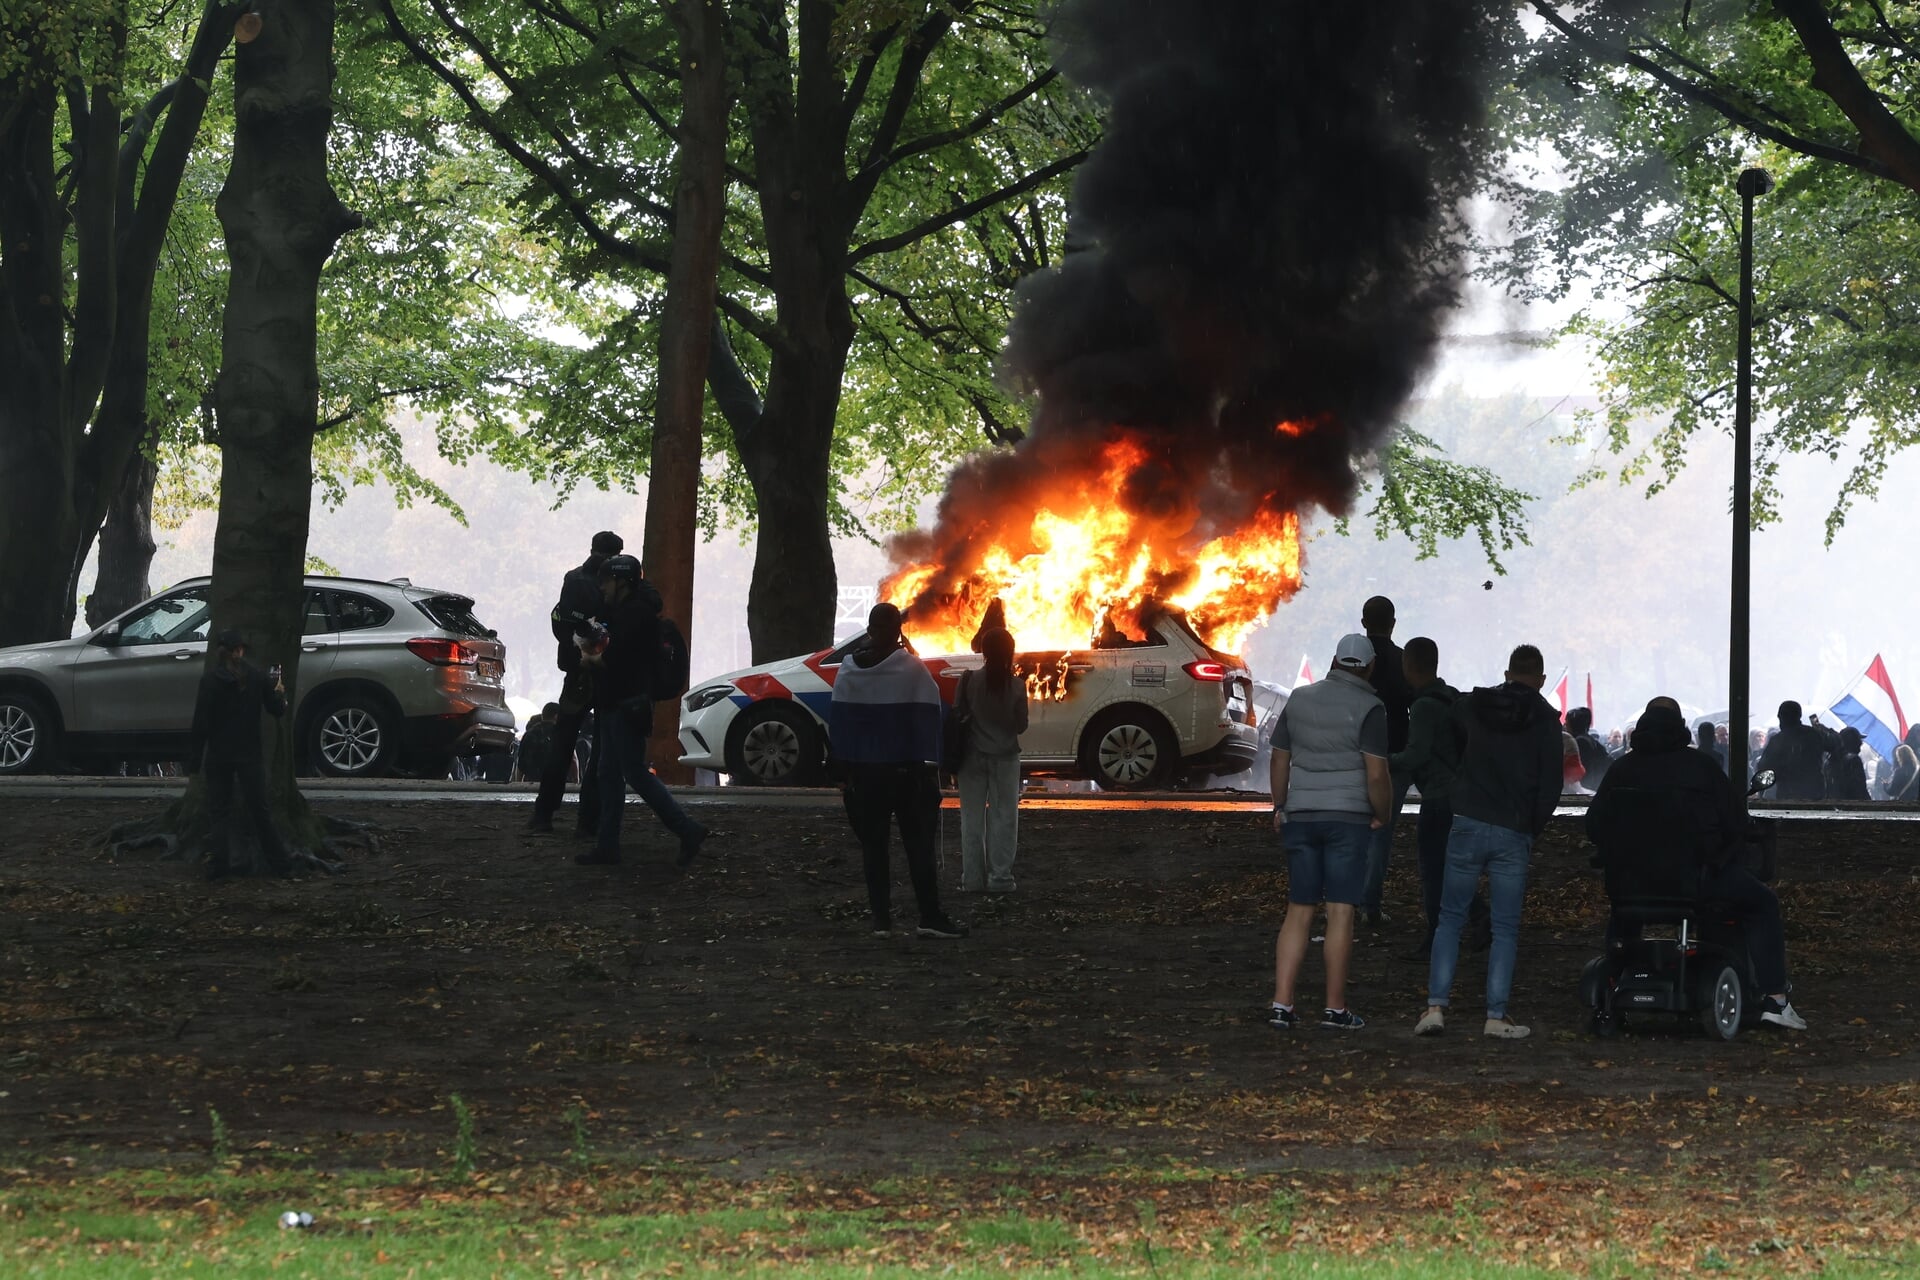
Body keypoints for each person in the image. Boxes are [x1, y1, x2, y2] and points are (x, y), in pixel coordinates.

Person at [1587, 697, 1806, 1030]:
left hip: (1629, 883)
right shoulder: (1701, 768)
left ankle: (1615, 973)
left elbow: (1594, 826)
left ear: (1642, 725)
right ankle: (1775, 998)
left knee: (1623, 911)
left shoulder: (1621, 770)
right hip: (1697, 881)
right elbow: (1735, 822)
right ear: (1680, 726)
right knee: (1763, 903)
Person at [1417, 643, 1561, 1040]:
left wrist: (1458, 784)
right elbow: (1551, 784)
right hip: (1514, 827)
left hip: (1468, 818)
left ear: (1507, 672)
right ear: (1541, 679)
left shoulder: (1472, 707)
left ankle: (1435, 1008)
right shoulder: (1547, 720)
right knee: (1505, 927)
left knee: (1449, 918)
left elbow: (1446, 740)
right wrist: (1531, 826)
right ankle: (1495, 1015)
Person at [1265, 633, 1391, 1031]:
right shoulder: (1370, 708)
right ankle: (1335, 1009)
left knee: (1298, 909)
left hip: (1301, 816)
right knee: (1340, 911)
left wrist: (1280, 806)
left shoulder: (1299, 699)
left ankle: (1282, 1004)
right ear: (1370, 668)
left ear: (1334, 662)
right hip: (1348, 820)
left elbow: (1279, 759)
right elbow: (1376, 773)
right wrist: (1382, 812)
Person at [828, 604, 966, 939]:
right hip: (907, 775)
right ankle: (929, 916)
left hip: (865, 776)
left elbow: (841, 724)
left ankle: (881, 921)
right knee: (918, 848)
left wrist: (844, 773)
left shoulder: (848, 669)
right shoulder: (912, 668)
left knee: (874, 848)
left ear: (869, 630)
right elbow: (930, 717)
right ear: (898, 631)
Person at [579, 554, 708, 868]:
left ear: (621, 582)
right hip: (617, 702)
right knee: (610, 774)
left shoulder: (635, 614)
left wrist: (590, 659)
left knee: (633, 773)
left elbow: (617, 659)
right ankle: (607, 845)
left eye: (606, 582)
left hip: (625, 704)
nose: (602, 588)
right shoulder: (630, 610)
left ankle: (687, 829)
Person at [1388, 636, 1486, 958]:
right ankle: (1478, 916)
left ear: (1408, 665)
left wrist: (1383, 760)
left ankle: (1436, 936)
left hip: (1437, 797)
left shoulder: (1423, 707)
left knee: (1432, 868)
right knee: (1450, 864)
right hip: (1460, 794)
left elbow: (1416, 755)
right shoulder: (1450, 696)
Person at [527, 532, 621, 835]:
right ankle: (588, 820)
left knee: (563, 743)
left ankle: (544, 813)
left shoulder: (574, 579)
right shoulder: (619, 581)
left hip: (577, 671)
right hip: (606, 672)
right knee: (600, 749)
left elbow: (561, 622)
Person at [189, 628, 294, 880]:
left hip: (218, 753)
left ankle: (219, 866)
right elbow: (276, 709)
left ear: (220, 651)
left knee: (219, 811)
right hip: (249, 753)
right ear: (240, 650)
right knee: (260, 810)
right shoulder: (256, 677)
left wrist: (194, 760)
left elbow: (200, 723)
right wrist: (281, 694)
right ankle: (281, 864)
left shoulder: (210, 681)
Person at [957, 627, 1028, 894]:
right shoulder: (1017, 685)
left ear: (983, 652)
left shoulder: (968, 680)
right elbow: (1021, 726)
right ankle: (1000, 878)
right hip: (1005, 758)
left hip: (971, 757)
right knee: (1004, 817)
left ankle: (972, 880)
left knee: (971, 819)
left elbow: (958, 714)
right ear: (1010, 652)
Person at [1359, 596, 1411, 927]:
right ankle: (1370, 905)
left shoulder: (1350, 659)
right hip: (1393, 754)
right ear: (1393, 623)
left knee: (1351, 829)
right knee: (1382, 832)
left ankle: (1344, 900)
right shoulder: (1403, 660)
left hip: (1356, 754)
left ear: (1364, 622)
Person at [1753, 701, 1828, 800]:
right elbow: (1836, 744)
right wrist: (1823, 729)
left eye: (1780, 717)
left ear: (1783, 717)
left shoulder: (1778, 740)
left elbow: (1764, 767)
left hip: (1787, 794)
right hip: (1815, 794)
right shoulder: (1814, 734)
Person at [1565, 708, 1611, 790]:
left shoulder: (1581, 742)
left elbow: (1585, 770)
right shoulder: (1590, 740)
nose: (1565, 724)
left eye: (1567, 721)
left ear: (1574, 723)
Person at [515, 703, 562, 783]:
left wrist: (518, 785)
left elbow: (521, 764)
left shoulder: (530, 733)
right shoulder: (562, 734)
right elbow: (573, 760)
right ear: (556, 716)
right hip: (556, 782)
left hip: (532, 782)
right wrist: (576, 781)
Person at [1825, 726, 1869, 801]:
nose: (1861, 744)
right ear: (1853, 742)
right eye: (1858, 740)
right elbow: (1859, 790)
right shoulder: (1853, 760)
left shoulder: (1829, 761)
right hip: (1853, 804)